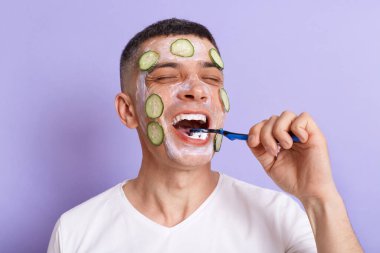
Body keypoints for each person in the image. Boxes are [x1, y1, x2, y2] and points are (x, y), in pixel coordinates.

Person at [47, 18, 363, 253]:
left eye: (211, 78)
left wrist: (320, 197)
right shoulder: (75, 231)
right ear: (128, 111)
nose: (197, 90)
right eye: (168, 76)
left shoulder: (280, 216)